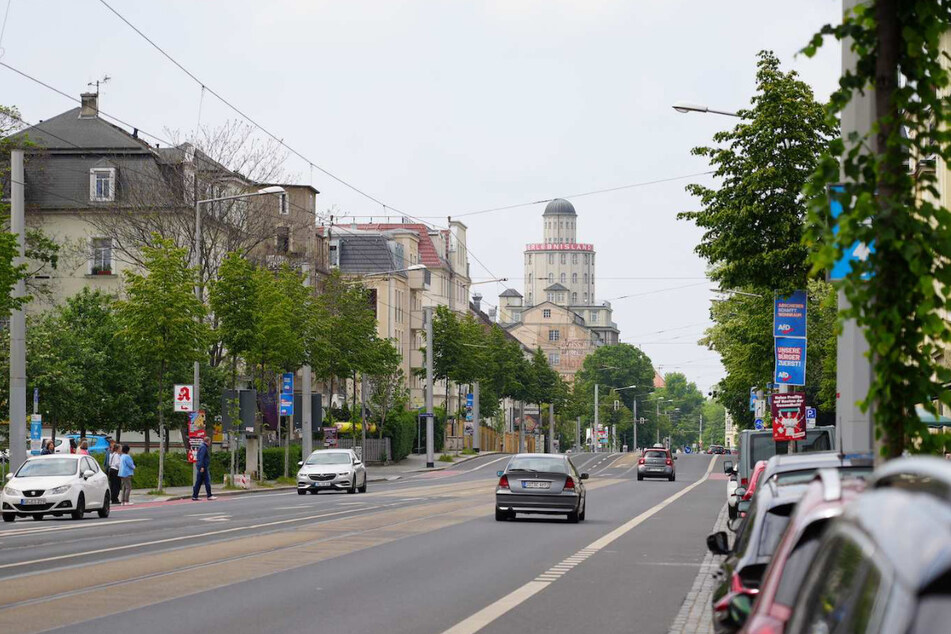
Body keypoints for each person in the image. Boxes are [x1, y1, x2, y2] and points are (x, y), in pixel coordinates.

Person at [192, 436, 216, 501]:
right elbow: (201, 457)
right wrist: (202, 466)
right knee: (207, 481)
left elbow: (199, 457)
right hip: (203, 467)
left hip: (201, 467)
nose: (210, 443)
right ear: (208, 441)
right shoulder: (204, 447)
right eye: (210, 441)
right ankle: (209, 495)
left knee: (198, 482)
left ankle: (195, 496)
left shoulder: (202, 446)